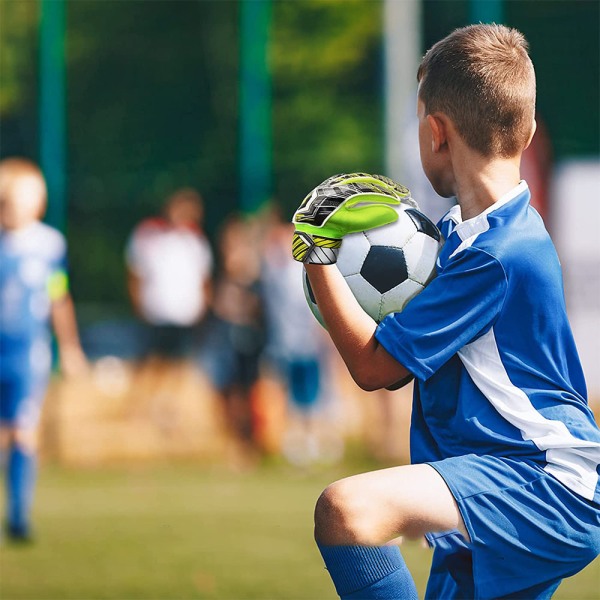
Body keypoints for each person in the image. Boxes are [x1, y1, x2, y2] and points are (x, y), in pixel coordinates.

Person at [291, 25, 600, 600]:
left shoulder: (495, 256)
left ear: (435, 133)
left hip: (542, 481)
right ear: (528, 131)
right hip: (509, 478)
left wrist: (316, 254)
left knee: (346, 511)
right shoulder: (465, 238)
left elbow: (376, 369)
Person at [0, 157, 87, 542]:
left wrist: (69, 347)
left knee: (23, 431)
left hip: (27, 352)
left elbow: (58, 296)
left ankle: (19, 516)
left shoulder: (49, 245)